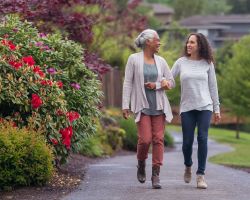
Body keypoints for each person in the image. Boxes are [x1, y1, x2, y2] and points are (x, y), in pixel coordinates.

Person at [122, 29, 174, 189]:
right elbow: (128, 82)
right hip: (142, 106)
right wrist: (125, 105)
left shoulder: (161, 61)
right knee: (145, 140)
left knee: (158, 139)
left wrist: (160, 84)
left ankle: (156, 174)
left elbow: (171, 82)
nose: (159, 43)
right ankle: (141, 163)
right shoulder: (134, 59)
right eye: (157, 40)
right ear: (148, 42)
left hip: (158, 106)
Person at [170, 33, 221, 189]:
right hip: (187, 107)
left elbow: (213, 87)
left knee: (202, 138)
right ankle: (188, 165)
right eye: (188, 42)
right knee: (187, 143)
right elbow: (170, 82)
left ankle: (200, 175)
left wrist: (216, 109)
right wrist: (160, 84)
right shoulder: (180, 62)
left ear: (200, 45)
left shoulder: (207, 63)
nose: (188, 45)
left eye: (192, 42)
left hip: (205, 106)